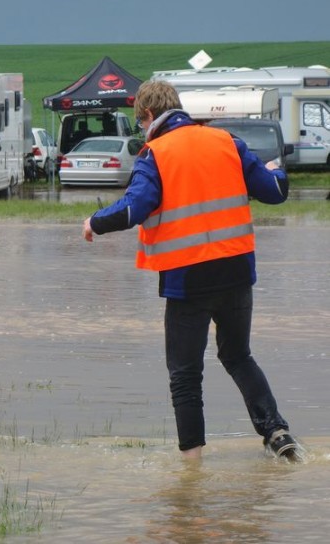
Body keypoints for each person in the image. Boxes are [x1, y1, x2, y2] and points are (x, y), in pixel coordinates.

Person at [81, 80, 303, 462]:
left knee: (185, 374)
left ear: (149, 115)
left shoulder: (156, 153)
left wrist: (93, 222)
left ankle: (192, 469)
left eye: (140, 123)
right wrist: (277, 173)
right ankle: (276, 431)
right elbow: (274, 192)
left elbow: (135, 208)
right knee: (238, 357)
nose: (140, 130)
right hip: (236, 272)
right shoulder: (227, 142)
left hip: (188, 280)